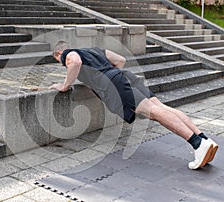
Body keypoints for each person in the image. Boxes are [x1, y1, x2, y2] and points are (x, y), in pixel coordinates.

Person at [49, 40, 219, 170]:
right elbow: (120, 60)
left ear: (58, 52)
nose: (62, 63)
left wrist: (64, 85)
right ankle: (204, 139)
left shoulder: (68, 54)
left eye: (59, 60)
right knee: (162, 108)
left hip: (114, 83)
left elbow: (75, 62)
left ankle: (197, 143)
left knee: (153, 112)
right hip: (124, 76)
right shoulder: (93, 51)